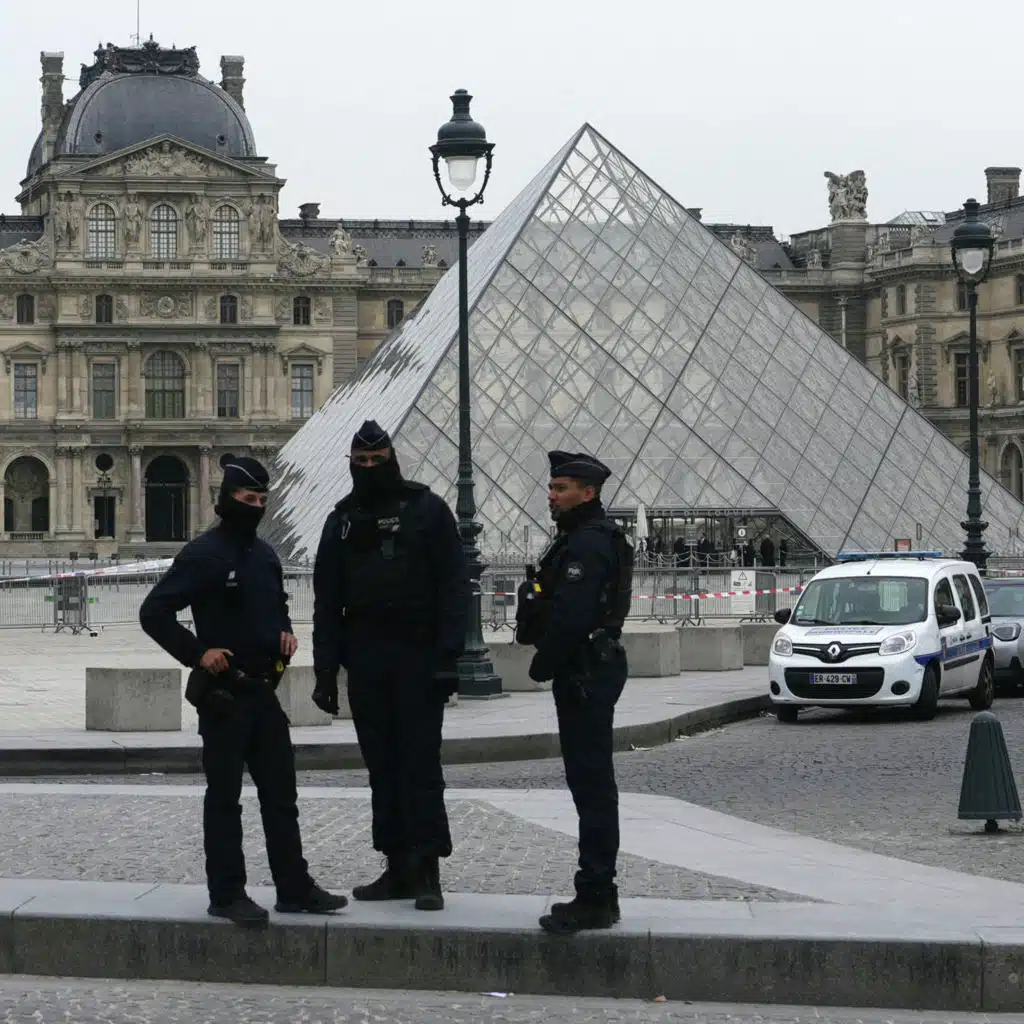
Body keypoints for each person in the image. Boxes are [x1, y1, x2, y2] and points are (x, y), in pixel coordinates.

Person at [139, 456, 347, 928]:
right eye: (246, 499)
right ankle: (227, 892)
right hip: (224, 696)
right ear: (226, 499)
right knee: (224, 798)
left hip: (262, 692)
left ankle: (293, 887)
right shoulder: (203, 553)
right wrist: (197, 653)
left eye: (260, 500)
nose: (254, 507)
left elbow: (276, 604)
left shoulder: (266, 554)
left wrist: (285, 633)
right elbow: (154, 612)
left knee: (281, 795)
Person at [311, 421, 469, 911]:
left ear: (393, 459)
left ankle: (428, 870)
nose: (370, 469)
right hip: (367, 656)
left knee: (421, 764)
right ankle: (396, 864)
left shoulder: (428, 510)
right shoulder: (340, 520)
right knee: (381, 766)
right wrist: (324, 672)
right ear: (352, 465)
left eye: (378, 462)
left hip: (419, 656)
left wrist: (448, 659)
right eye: (361, 463)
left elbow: (453, 588)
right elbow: (326, 602)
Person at [515, 450, 633, 935]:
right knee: (591, 785)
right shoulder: (583, 538)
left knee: (591, 787)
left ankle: (596, 894)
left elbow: (573, 616)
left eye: (561, 488)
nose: (552, 495)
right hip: (588, 668)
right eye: (551, 487)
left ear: (589, 492)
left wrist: (542, 664)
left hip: (583, 671)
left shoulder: (586, 545)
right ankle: (600, 891)